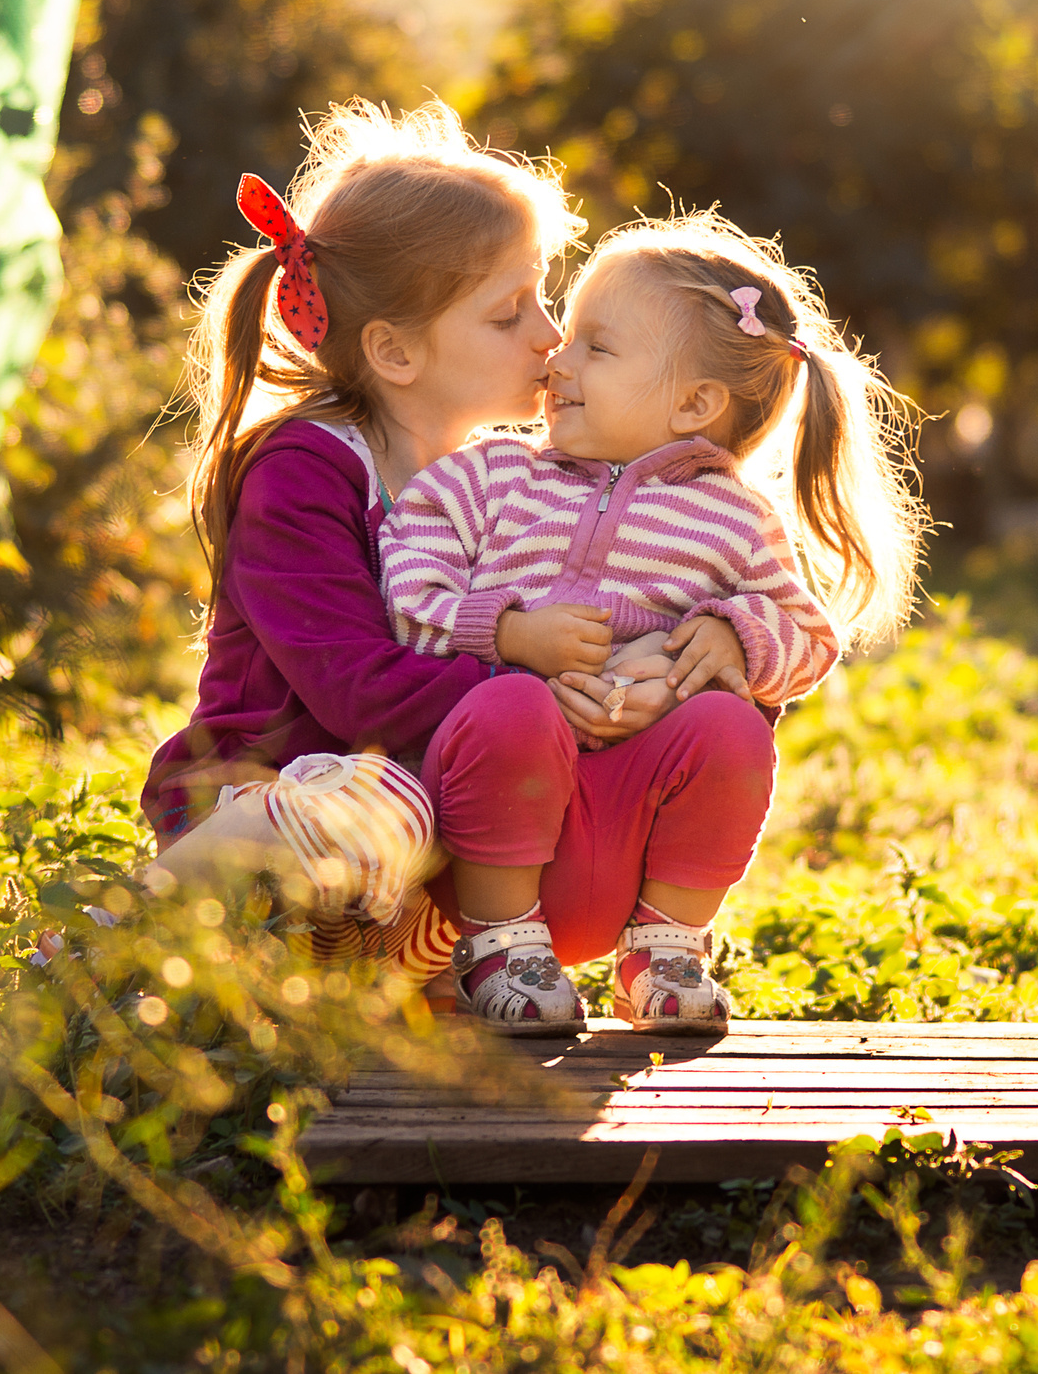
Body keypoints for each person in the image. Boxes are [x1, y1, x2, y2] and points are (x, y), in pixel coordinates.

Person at [134, 100, 755, 1005]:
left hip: (412, 829)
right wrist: (538, 682)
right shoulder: (305, 467)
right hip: (274, 804)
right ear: (395, 351)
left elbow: (621, 604)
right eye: (512, 313)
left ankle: (424, 971)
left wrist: (699, 649)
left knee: (463, 806)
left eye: (545, 301)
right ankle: (125, 938)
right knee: (379, 801)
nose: (551, 338)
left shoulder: (491, 479)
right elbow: (356, 691)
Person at [378, 210, 928, 1035]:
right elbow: (405, 583)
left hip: (629, 826)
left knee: (730, 726)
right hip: (491, 831)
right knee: (513, 708)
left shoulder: (735, 520)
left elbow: (811, 639)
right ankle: (499, 949)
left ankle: (665, 951)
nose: (559, 357)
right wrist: (510, 635)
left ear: (694, 403)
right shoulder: (491, 476)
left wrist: (729, 637)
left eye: (597, 347)